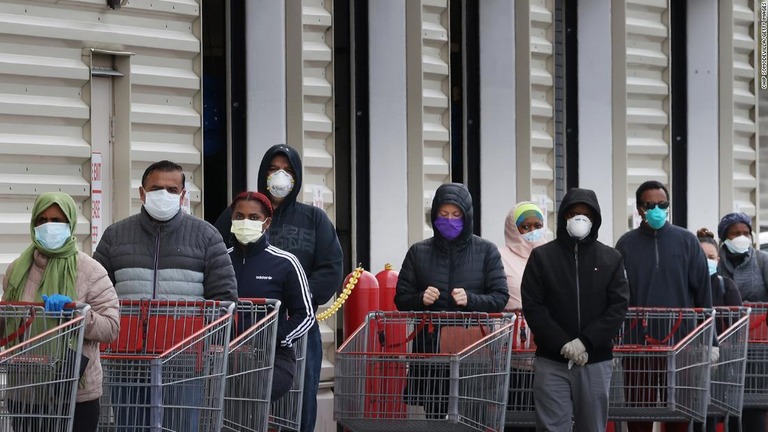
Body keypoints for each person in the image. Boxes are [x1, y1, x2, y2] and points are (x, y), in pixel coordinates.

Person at [94, 160, 237, 431]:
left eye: (172, 190)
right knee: (130, 426)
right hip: (126, 359)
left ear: (183, 196)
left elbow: (224, 297)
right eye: (156, 188)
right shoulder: (116, 235)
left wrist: (207, 345)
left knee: (180, 425)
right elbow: (97, 292)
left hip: (183, 359)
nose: (164, 195)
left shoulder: (206, 236)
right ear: (142, 193)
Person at [214, 144, 343, 432]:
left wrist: (301, 297)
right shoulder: (238, 214)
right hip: (243, 332)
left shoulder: (314, 219)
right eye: (273, 169)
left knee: (301, 399)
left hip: (295, 325)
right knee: (239, 400)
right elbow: (215, 256)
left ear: (296, 177)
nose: (279, 176)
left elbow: (332, 266)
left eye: (286, 170)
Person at [2, 192, 120, 432]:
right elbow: (7, 322)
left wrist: (77, 315)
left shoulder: (90, 270)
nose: (49, 226)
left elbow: (111, 327)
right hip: (25, 391)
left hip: (75, 394)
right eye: (42, 220)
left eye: (57, 221)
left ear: (70, 224)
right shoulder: (17, 270)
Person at [394, 182, 509, 419]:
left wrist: (471, 300)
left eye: (456, 215)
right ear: (434, 214)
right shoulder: (418, 252)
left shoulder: (486, 251)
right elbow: (401, 298)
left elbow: (500, 297)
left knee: (473, 416)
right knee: (435, 415)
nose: (450, 220)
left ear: (467, 217)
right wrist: (420, 299)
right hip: (431, 351)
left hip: (473, 351)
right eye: (444, 214)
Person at [521, 187, 629, 431]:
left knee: (592, 426)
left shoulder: (611, 258)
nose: (580, 219)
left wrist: (585, 342)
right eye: (574, 213)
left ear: (595, 220)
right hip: (551, 360)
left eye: (586, 214)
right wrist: (562, 343)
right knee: (551, 426)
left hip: (595, 360)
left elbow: (617, 306)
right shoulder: (542, 257)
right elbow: (534, 306)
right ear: (563, 217)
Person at [615, 180, 714, 432]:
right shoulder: (626, 244)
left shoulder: (687, 241)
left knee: (680, 415)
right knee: (639, 414)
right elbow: (617, 295)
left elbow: (703, 293)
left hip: (682, 344)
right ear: (639, 209)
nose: (657, 209)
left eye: (663, 204)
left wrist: (710, 340)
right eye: (651, 205)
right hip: (638, 346)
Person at [227, 191, 315, 401]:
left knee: (252, 388)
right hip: (225, 358)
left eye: (254, 217)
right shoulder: (221, 260)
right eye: (239, 217)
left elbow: (306, 315)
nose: (245, 222)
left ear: (266, 223)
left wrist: (272, 339)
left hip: (273, 358)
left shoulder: (286, 262)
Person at [499, 201, 549, 432]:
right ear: (513, 228)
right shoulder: (500, 257)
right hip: (515, 357)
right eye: (525, 227)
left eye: (537, 225)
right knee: (517, 421)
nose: (532, 231)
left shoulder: (553, 255)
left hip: (550, 355)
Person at [715, 213, 768, 432]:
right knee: (725, 401)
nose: (742, 237)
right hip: (724, 343)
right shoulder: (715, 264)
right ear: (725, 238)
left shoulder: (761, 260)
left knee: (754, 403)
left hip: (757, 345)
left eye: (746, 233)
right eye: (736, 233)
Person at [695, 228, 742, 432]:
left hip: (718, 362)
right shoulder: (688, 286)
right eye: (702, 257)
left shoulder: (726, 286)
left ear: (718, 261)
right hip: (691, 362)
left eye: (711, 257)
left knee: (712, 412)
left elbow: (737, 326)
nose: (707, 261)